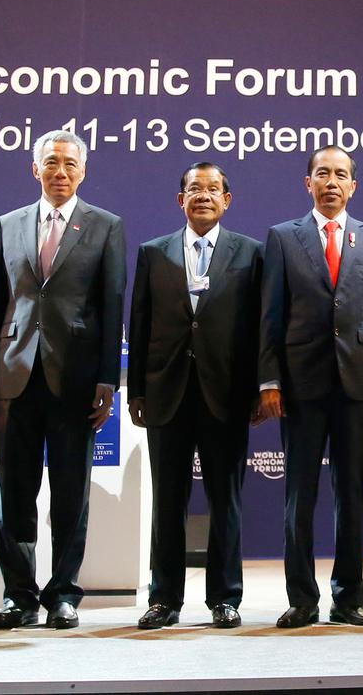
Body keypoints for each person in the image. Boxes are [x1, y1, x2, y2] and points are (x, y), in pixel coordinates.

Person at [0, 130, 125, 630]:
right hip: (13, 375)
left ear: (84, 171)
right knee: (14, 492)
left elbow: (111, 306)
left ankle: (63, 594)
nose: (60, 171)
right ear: (34, 168)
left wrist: (108, 378)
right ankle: (18, 596)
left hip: (75, 379)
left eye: (69, 164)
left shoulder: (105, 226)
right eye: (51, 162)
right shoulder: (8, 224)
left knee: (70, 493)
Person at [259, 146, 363, 628]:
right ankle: (302, 599)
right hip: (300, 386)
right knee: (299, 495)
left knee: (351, 494)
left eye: (341, 175)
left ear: (353, 186)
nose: (332, 182)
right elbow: (271, 315)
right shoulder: (283, 237)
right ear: (308, 183)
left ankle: (348, 599)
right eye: (323, 174)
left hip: (357, 386)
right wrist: (269, 379)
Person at [127, 162, 263, 629]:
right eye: (194, 189)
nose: (203, 195)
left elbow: (259, 328)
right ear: (180, 199)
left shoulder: (251, 253)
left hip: (227, 393)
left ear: (227, 199)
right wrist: (138, 390)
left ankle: (225, 598)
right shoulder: (153, 252)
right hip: (167, 392)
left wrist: (260, 388)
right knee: (168, 501)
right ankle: (164, 599)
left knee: (226, 501)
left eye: (212, 189)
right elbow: (140, 324)